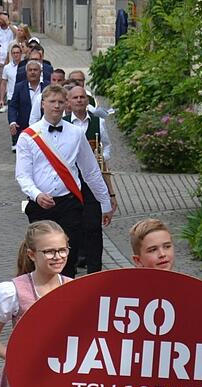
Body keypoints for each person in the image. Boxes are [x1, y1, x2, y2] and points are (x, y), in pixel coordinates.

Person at [15, 85, 114, 278]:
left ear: (66, 105)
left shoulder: (76, 133)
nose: (57, 106)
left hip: (70, 202)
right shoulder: (28, 137)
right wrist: (36, 194)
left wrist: (105, 203)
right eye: (52, 101)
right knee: (42, 256)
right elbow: (22, 175)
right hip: (40, 204)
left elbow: (91, 171)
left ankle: (67, 296)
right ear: (43, 103)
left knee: (68, 255)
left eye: (61, 102)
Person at [0, 220, 72, 387]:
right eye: (49, 252)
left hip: (63, 378)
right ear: (32, 255)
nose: (58, 256)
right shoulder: (13, 290)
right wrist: (16, 359)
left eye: (62, 250)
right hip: (25, 380)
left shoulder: (73, 287)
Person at [63, 85, 115, 274]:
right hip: (71, 182)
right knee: (72, 229)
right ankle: (70, 271)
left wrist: (100, 156)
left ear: (87, 101)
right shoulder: (63, 123)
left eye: (82, 97)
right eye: (75, 97)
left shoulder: (97, 123)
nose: (79, 100)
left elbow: (107, 147)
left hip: (92, 181)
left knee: (93, 228)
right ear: (68, 102)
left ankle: (95, 271)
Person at [8, 60, 43, 152]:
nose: (32, 72)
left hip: (43, 128)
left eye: (35, 70)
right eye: (30, 70)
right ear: (26, 72)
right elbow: (13, 106)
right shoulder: (19, 87)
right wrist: (12, 122)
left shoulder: (47, 87)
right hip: (24, 127)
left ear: (40, 72)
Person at [0, 42, 22, 114]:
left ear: (21, 53)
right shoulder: (7, 67)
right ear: (11, 54)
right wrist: (1, 99)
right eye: (14, 53)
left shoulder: (26, 66)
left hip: (23, 96)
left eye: (17, 52)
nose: (16, 55)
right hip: (11, 97)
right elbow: (3, 84)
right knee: (12, 119)